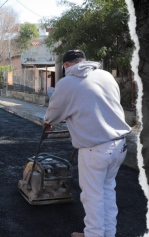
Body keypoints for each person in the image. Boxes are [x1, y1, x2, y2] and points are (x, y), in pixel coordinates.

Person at [43, 50, 131, 237]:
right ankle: (107, 233)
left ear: (66, 65)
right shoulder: (106, 75)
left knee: (92, 195)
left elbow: (54, 112)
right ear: (83, 60)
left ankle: (94, 234)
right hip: (119, 144)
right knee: (107, 190)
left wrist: (48, 121)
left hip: (95, 148)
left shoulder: (67, 82)